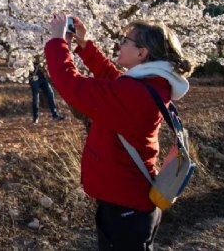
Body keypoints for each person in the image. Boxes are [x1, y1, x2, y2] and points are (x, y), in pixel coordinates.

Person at [44, 14, 193, 250]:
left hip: (125, 208)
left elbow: (71, 85)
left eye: (125, 40)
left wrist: (56, 42)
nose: (119, 44)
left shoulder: (135, 95)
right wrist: (84, 44)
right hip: (132, 201)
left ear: (142, 53)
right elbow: (114, 80)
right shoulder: (150, 85)